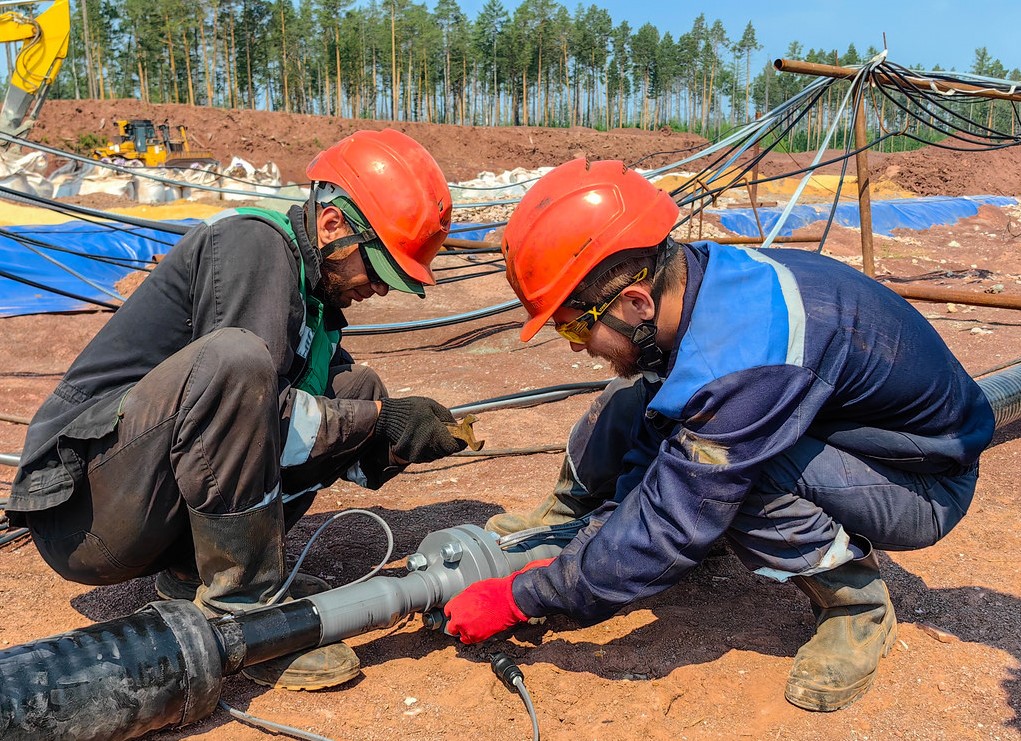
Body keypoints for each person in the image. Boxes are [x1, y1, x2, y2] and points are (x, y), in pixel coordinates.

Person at [443, 158, 995, 712]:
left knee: (739, 476)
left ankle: (856, 607)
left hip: (921, 484)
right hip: (847, 433)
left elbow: (675, 520)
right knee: (633, 395)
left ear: (636, 301)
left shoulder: (746, 360)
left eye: (576, 325)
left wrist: (524, 598)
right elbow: (663, 422)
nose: (573, 345)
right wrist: (600, 536)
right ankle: (566, 520)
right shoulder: (693, 281)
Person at [9, 128, 468, 691]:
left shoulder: (313, 299)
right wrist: (379, 422)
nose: (378, 290)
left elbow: (304, 429)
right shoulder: (254, 245)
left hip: (141, 504)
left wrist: (394, 435)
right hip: (85, 513)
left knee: (357, 388)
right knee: (239, 362)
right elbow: (257, 409)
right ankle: (245, 614)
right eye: (377, 270)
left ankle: (196, 574)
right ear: (332, 226)